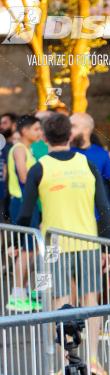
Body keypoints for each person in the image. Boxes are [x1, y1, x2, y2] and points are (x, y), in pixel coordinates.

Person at [16, 113, 110, 375]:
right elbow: (103, 209)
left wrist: (21, 241)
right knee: (91, 301)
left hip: (54, 246)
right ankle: (93, 359)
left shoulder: (39, 168)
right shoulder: (88, 163)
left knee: (60, 303)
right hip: (89, 241)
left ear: (44, 138)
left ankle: (65, 365)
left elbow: (25, 214)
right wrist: (107, 247)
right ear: (70, 135)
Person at [6, 116, 43, 311]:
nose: (39, 132)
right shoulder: (20, 149)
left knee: (33, 250)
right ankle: (17, 294)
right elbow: (23, 176)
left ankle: (25, 291)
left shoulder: (26, 149)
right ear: (25, 130)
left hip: (27, 203)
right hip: (22, 204)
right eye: (36, 129)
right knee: (27, 251)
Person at [70, 112, 110, 234]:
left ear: (87, 130)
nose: (69, 130)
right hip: (70, 219)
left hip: (98, 219)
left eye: (73, 126)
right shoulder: (65, 153)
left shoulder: (101, 154)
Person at [0, 113, 18, 220]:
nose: (1, 126)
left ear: (14, 125)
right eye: (0, 123)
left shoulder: (18, 147)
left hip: (12, 197)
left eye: (5, 123)